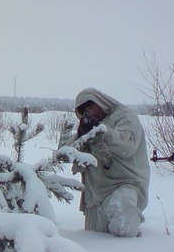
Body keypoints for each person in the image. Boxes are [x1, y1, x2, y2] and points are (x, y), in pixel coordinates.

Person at [63, 87, 151, 237]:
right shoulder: (89, 126)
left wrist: (102, 131)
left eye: (91, 106)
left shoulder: (125, 116)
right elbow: (64, 152)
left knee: (124, 225)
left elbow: (127, 145)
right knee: (95, 236)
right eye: (84, 110)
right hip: (96, 191)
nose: (89, 111)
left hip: (124, 181)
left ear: (100, 101)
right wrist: (81, 134)